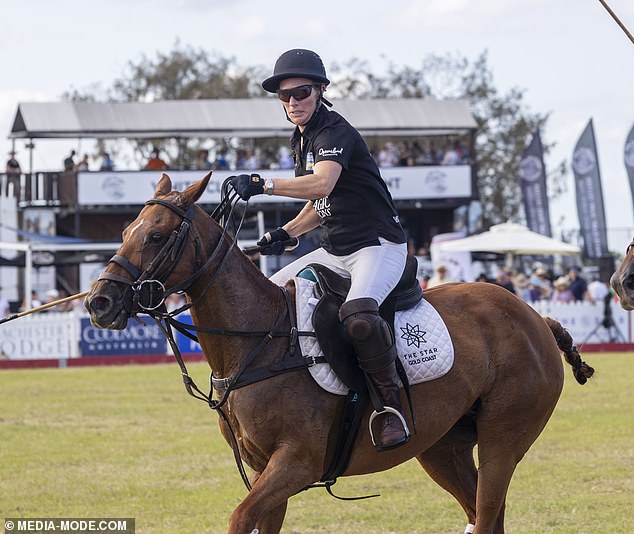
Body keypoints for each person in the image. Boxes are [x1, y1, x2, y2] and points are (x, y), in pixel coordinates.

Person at [228, 49, 409, 451]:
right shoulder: (302, 138)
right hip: (335, 249)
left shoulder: (334, 132)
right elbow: (321, 205)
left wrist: (262, 184)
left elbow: (323, 183)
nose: (293, 101)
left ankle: (389, 407)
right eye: (284, 96)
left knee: (359, 317)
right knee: (269, 295)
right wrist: (287, 234)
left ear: (321, 90)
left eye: (302, 92)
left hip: (376, 246)